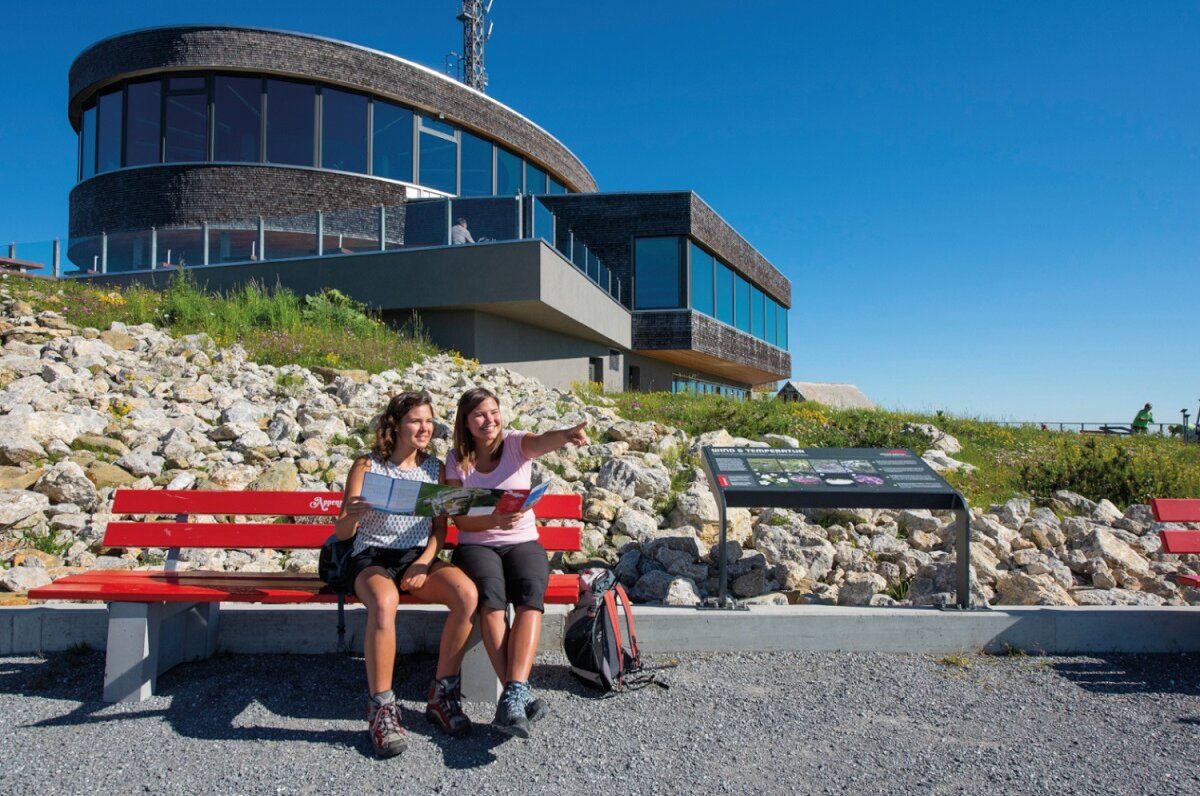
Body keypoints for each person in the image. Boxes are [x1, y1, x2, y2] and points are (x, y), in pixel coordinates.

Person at [335, 391, 479, 757]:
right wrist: (352, 514)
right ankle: (382, 707)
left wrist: (425, 561)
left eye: (428, 421)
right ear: (396, 425)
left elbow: (440, 530)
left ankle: (441, 694)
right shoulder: (366, 465)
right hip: (371, 556)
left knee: (466, 594)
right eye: (416, 420)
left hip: (416, 556)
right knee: (385, 602)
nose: (424, 427)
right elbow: (342, 533)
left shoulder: (435, 469)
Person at [445, 387, 588, 737]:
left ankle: (513, 692)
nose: (488, 420)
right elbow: (460, 521)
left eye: (493, 412)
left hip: (522, 542)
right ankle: (518, 697)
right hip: (477, 544)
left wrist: (566, 435)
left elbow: (542, 441)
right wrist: (494, 520)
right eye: (479, 414)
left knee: (529, 597)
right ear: (466, 421)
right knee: (491, 599)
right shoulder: (455, 459)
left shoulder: (515, 444)